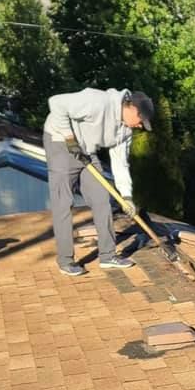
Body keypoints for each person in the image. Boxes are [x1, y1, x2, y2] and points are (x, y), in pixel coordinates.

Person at [43, 88, 154, 276]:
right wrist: (69, 138)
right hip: (60, 142)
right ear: (133, 109)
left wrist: (126, 197)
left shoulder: (125, 131)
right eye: (141, 121)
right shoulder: (99, 101)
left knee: (102, 199)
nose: (140, 126)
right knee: (63, 203)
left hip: (87, 150)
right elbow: (56, 102)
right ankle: (66, 260)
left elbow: (121, 165)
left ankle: (108, 255)